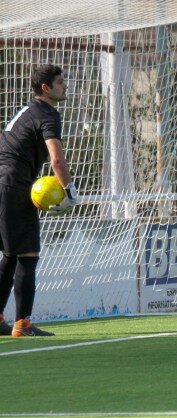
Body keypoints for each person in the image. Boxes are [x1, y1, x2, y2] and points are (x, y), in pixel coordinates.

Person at [0, 64, 78, 337]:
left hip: (3, 182)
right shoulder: (48, 114)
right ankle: (22, 324)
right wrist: (70, 191)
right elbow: (56, 159)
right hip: (14, 185)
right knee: (28, 255)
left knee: (10, 254)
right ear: (46, 88)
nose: (65, 86)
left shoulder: (26, 110)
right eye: (61, 82)